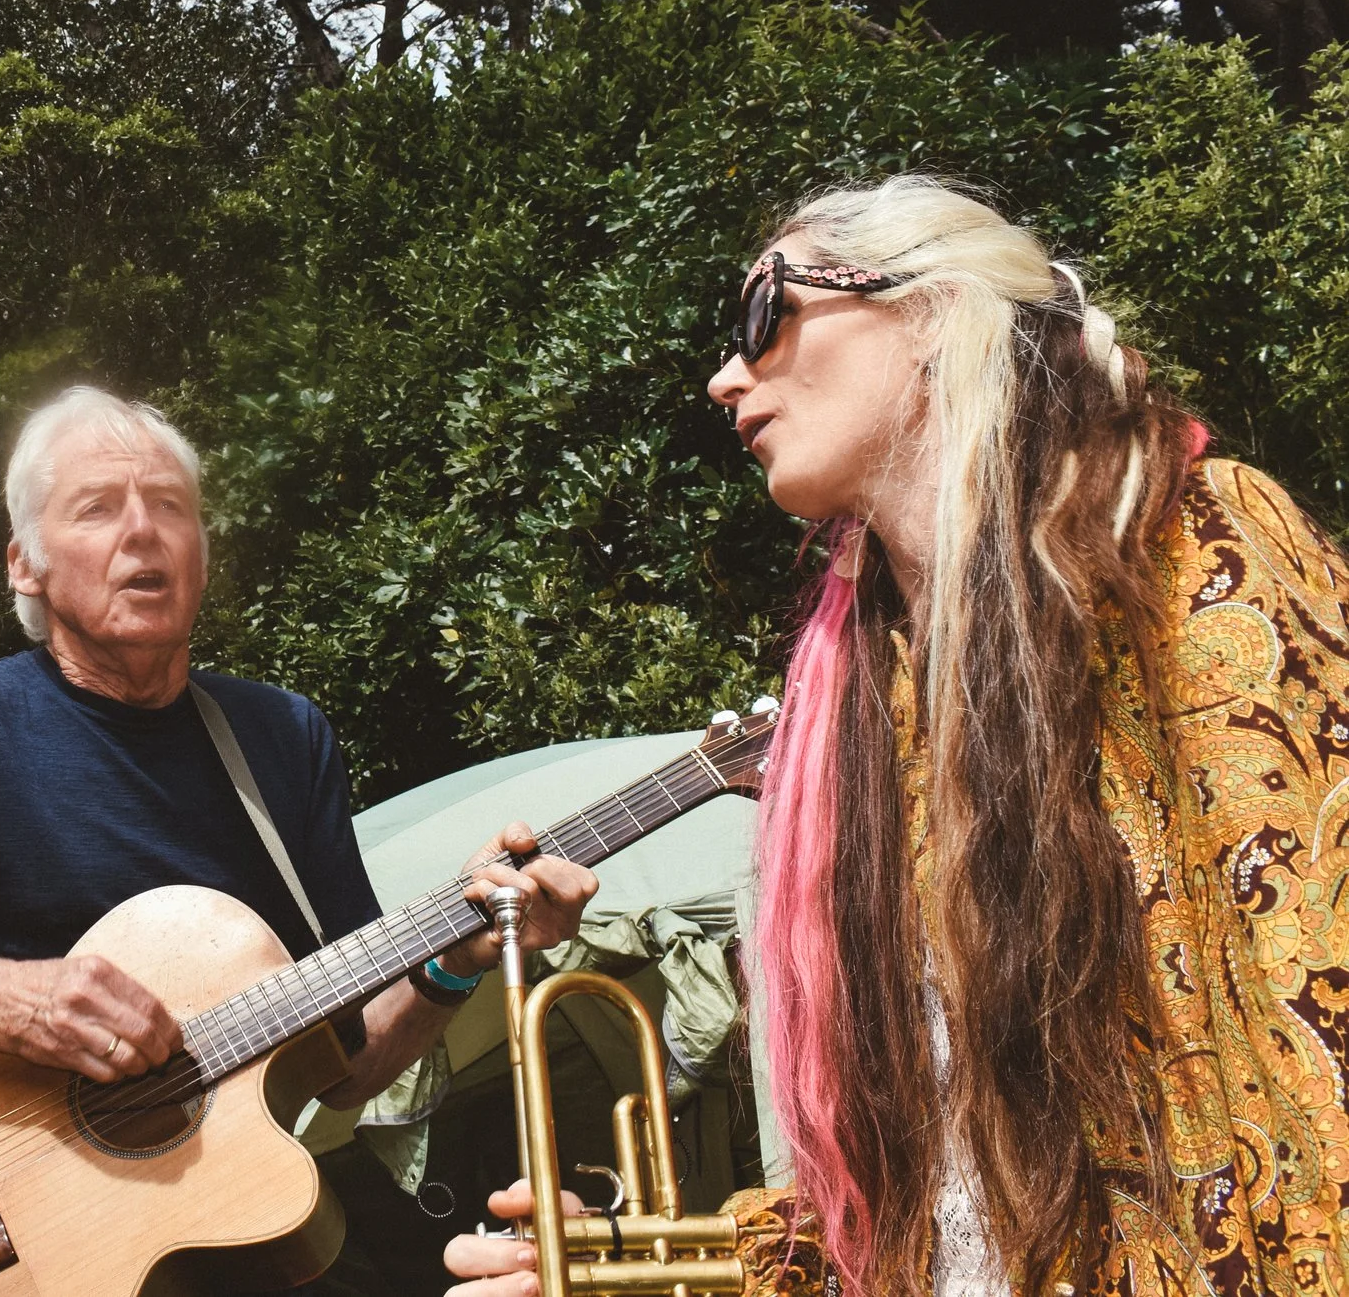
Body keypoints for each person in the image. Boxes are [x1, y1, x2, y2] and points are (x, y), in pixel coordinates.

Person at [445, 176, 1349, 1297]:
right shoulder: (874, 693)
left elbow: (1321, 1022)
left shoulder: (1196, 545)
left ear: (927, 308)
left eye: (762, 315)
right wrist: (617, 1263)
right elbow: (934, 1196)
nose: (726, 374)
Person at [0, 387, 595, 1264]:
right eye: (95, 507)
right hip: (14, 1240)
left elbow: (341, 1068)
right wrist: (14, 1001)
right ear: (24, 563)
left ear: (201, 548)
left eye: (169, 503)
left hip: (218, 1233)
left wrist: (451, 960)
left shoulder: (284, 738)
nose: (142, 529)